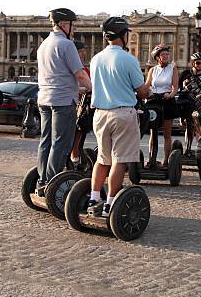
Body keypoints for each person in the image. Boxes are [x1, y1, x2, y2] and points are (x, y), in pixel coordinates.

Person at [87, 17, 150, 217]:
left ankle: (93, 198)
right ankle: (110, 204)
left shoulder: (96, 58)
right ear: (123, 36)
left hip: (100, 114)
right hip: (122, 113)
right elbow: (141, 92)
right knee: (119, 160)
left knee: (102, 159)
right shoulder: (128, 59)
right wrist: (149, 83)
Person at [35, 8, 92, 196]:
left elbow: (57, 76)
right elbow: (80, 74)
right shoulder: (67, 45)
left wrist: (78, 88)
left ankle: (42, 180)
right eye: (73, 25)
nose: (74, 29)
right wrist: (95, 89)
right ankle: (51, 184)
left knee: (46, 142)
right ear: (64, 24)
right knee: (61, 143)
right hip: (62, 102)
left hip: (44, 99)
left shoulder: (43, 45)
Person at [144, 45, 179, 169]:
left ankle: (165, 161)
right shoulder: (152, 70)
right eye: (163, 55)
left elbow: (175, 87)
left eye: (167, 54)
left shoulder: (172, 69)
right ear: (157, 57)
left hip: (167, 100)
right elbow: (147, 85)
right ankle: (151, 159)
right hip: (154, 101)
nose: (166, 56)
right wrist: (145, 92)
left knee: (167, 133)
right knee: (153, 132)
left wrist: (170, 94)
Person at [178, 52, 201, 156]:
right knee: (189, 128)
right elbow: (179, 89)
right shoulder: (185, 74)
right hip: (188, 106)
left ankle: (200, 151)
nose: (200, 65)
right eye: (198, 63)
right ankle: (188, 149)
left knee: (200, 128)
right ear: (192, 63)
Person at [70, 40, 91, 166]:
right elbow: (71, 86)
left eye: (84, 52)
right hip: (74, 103)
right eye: (80, 52)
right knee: (75, 132)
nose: (83, 54)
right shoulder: (73, 67)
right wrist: (87, 89)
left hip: (84, 105)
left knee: (81, 131)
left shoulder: (85, 69)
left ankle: (77, 155)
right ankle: (74, 157)